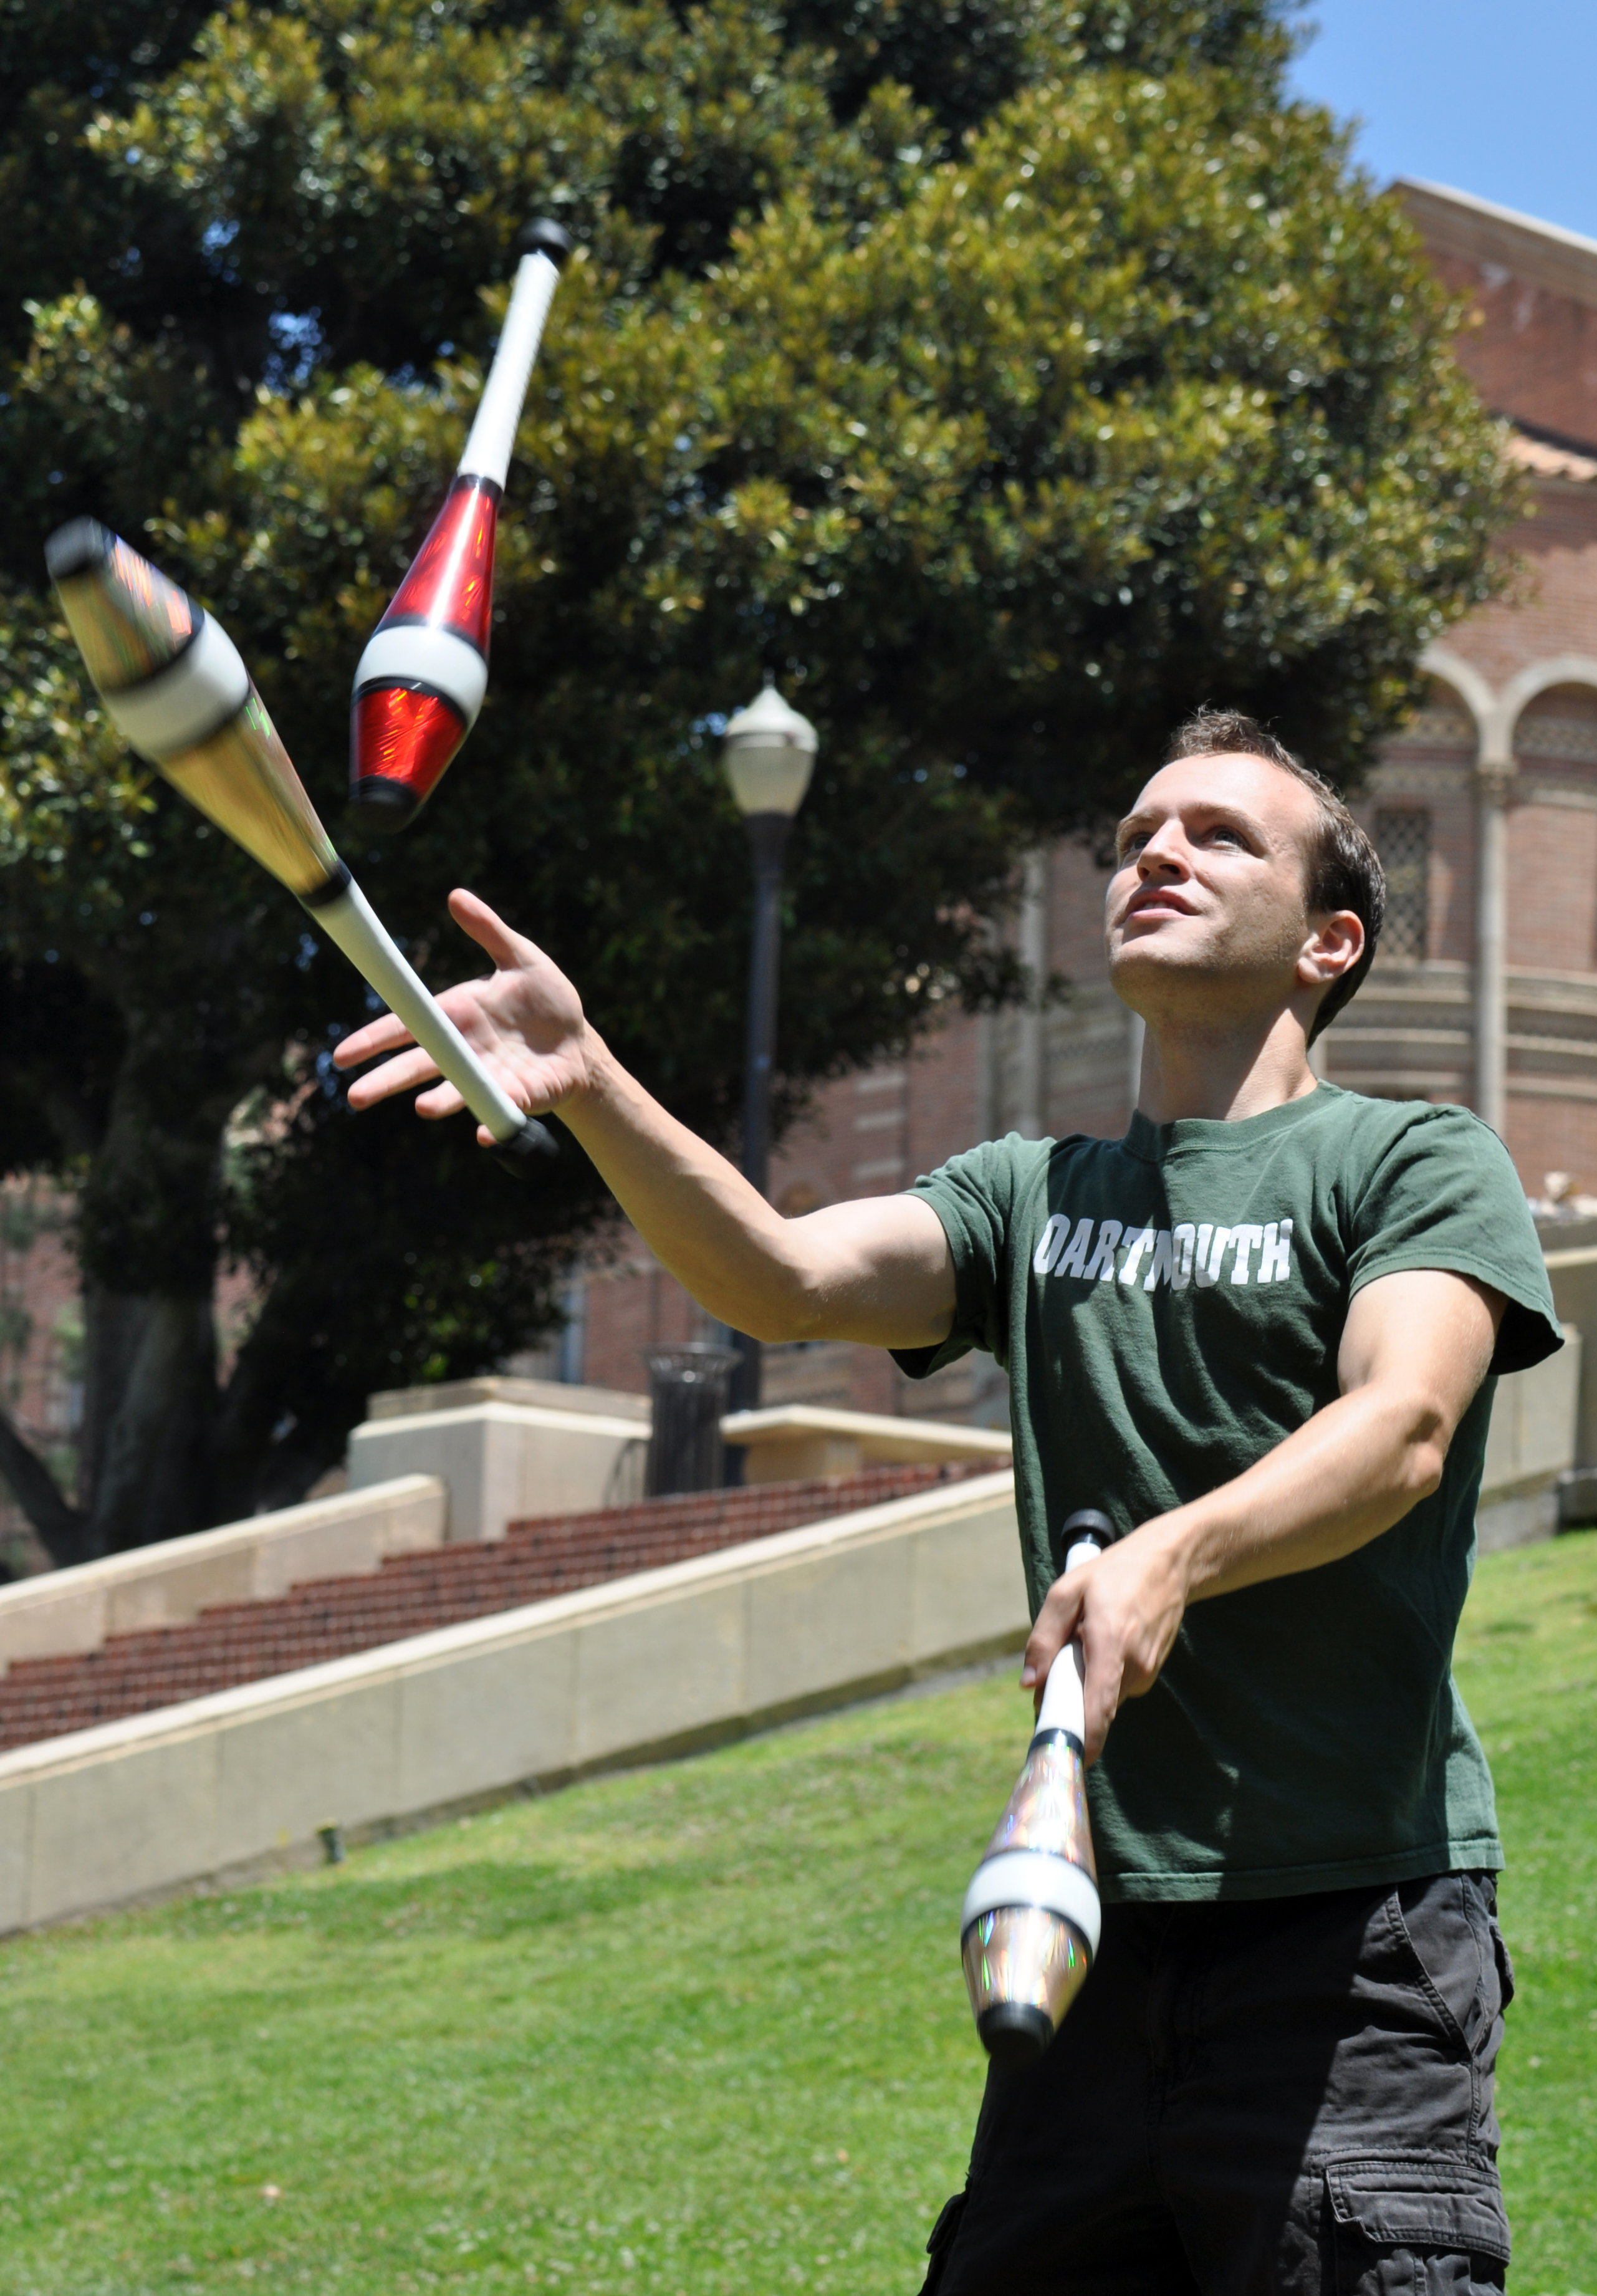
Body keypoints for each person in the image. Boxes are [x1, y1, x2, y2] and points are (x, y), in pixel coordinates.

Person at [336, 708, 1559, 2295]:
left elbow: (1401, 1425)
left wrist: (1172, 1557)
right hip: (1091, 1935)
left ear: (1329, 940)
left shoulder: (1411, 1160)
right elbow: (776, 1278)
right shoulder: (1027, 1196)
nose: (1155, 856)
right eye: (1133, 838)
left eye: (1216, 835)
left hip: (1352, 1937)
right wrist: (587, 1083)